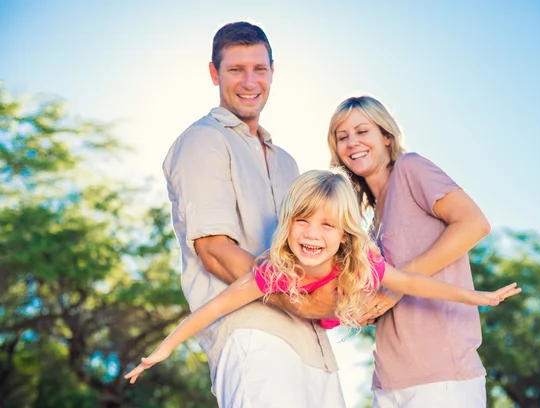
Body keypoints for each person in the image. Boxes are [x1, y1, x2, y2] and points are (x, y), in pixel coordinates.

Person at [125, 170, 520, 385]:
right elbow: (214, 308)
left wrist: (477, 297)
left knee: (387, 294)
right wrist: (165, 348)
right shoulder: (274, 272)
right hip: (316, 307)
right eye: (302, 221)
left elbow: (415, 284)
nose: (312, 234)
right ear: (288, 224)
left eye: (328, 225)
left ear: (344, 233)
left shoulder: (362, 261)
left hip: (350, 298)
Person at [160, 22, 342, 408]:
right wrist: (305, 301)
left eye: (259, 69)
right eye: (235, 70)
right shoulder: (203, 140)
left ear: (272, 72)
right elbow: (214, 250)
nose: (249, 81)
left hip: (316, 351)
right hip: (252, 337)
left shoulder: (288, 163)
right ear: (214, 73)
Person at [328, 96, 499, 407]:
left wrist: (396, 288)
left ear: (387, 137)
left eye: (362, 131)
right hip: (388, 383)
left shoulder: (410, 168)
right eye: (342, 137)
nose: (352, 143)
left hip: (443, 378)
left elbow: (474, 224)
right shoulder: (368, 223)